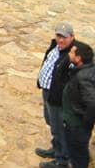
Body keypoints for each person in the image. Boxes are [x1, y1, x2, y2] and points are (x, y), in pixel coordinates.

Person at [39, 24, 78, 166]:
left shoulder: (74, 54)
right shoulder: (55, 46)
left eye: (64, 37)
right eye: (58, 36)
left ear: (72, 37)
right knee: (51, 121)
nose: (60, 40)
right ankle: (56, 149)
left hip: (59, 98)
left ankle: (62, 160)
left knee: (59, 127)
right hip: (48, 91)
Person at [60, 41, 95, 168]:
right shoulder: (84, 69)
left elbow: (92, 103)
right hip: (74, 123)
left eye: (72, 52)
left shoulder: (83, 76)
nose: (69, 54)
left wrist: (85, 124)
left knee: (77, 156)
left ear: (79, 58)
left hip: (77, 126)